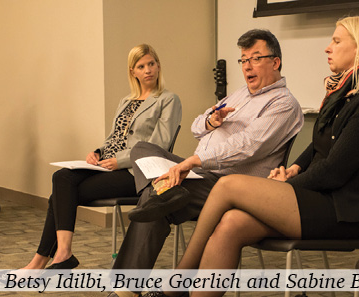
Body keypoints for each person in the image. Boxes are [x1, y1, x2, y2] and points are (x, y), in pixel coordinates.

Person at [147, 15, 359, 297]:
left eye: (336, 41)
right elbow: (317, 148)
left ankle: (175, 285)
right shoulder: (342, 94)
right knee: (231, 223)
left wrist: (287, 185)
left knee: (227, 185)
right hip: (317, 200)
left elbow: (334, 171)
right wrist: (293, 169)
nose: (328, 48)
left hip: (341, 212)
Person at [107, 29, 304, 297]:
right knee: (143, 149)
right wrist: (212, 121)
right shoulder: (238, 95)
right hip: (202, 178)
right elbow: (196, 125)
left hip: (230, 190)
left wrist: (194, 160)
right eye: (243, 60)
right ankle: (163, 194)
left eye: (255, 58)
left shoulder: (283, 104)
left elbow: (248, 145)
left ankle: (124, 290)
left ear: (275, 62)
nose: (247, 66)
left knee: (157, 198)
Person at [22, 44, 182, 270]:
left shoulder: (168, 99)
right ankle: (61, 253)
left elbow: (159, 144)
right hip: (108, 164)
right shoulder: (126, 101)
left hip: (134, 172)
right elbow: (114, 138)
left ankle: (44, 260)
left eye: (151, 64)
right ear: (132, 72)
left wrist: (120, 161)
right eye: (141, 66)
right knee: (62, 177)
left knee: (60, 196)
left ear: (158, 66)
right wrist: (98, 152)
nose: (148, 70)